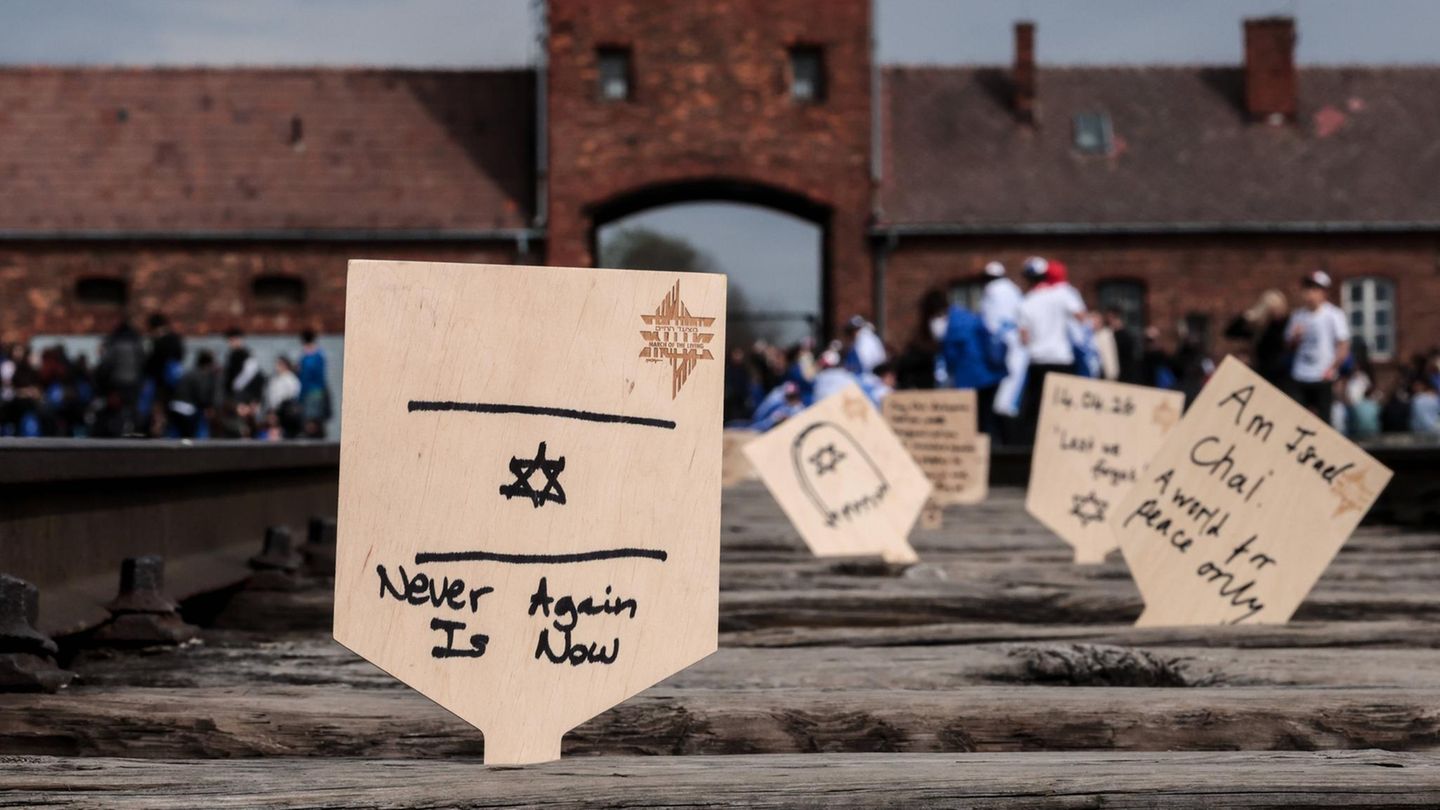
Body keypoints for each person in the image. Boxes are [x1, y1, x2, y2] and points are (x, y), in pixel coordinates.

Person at [1017, 256, 1085, 443]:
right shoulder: (1061, 295)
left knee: (1036, 411)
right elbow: (1081, 317)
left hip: (1038, 360)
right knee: (1064, 409)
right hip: (1062, 359)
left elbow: (1024, 338)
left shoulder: (1026, 302)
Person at [1285, 271, 1350, 420]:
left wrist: (1333, 368)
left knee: (1324, 419)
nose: (1310, 294)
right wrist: (1295, 337)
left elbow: (1343, 345)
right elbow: (1288, 345)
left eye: (1315, 289)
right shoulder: (1298, 315)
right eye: (1307, 289)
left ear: (1324, 292)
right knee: (1297, 417)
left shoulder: (1334, 315)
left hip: (1322, 375)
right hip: (1300, 373)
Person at [940, 299, 1005, 435]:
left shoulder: (953, 326)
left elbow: (950, 356)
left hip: (972, 376)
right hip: (990, 373)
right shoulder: (972, 318)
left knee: (977, 418)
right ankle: (995, 444)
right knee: (988, 413)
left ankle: (985, 447)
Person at [1224, 290, 1290, 388]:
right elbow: (1230, 333)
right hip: (1262, 371)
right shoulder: (1260, 328)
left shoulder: (1287, 324)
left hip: (1282, 375)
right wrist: (1245, 317)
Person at [170, 350, 221, 439]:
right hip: (187, 409)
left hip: (174, 406)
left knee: (178, 434)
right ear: (208, 364)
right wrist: (207, 406)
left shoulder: (190, 372)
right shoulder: (201, 375)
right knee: (190, 436)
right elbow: (201, 395)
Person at [297, 328, 331, 437]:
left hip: (310, 393)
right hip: (319, 392)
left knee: (311, 424)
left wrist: (300, 397)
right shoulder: (320, 355)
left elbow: (305, 378)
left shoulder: (307, 358)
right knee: (317, 423)